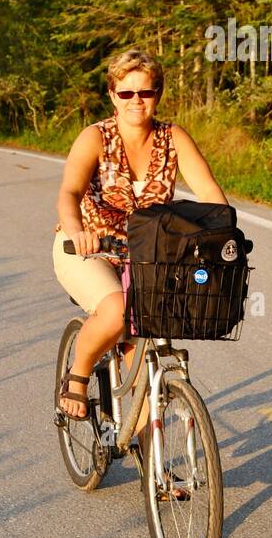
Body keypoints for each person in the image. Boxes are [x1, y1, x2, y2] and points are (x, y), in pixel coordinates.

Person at [52, 47, 228, 456]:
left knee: (147, 332)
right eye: (126, 93)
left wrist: (222, 236)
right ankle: (78, 375)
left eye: (145, 93)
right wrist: (78, 231)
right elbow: (70, 192)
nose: (137, 102)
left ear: (158, 94)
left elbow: (209, 195)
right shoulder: (95, 137)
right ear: (113, 95)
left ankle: (155, 466)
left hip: (148, 250)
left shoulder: (174, 138)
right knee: (116, 310)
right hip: (87, 247)